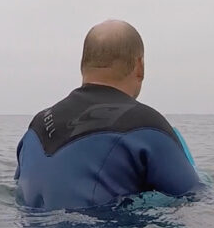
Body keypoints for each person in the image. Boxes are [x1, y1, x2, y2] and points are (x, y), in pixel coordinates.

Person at [14, 20, 201, 210]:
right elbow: (197, 200)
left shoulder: (36, 126)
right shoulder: (147, 126)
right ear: (140, 66)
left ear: (83, 64)